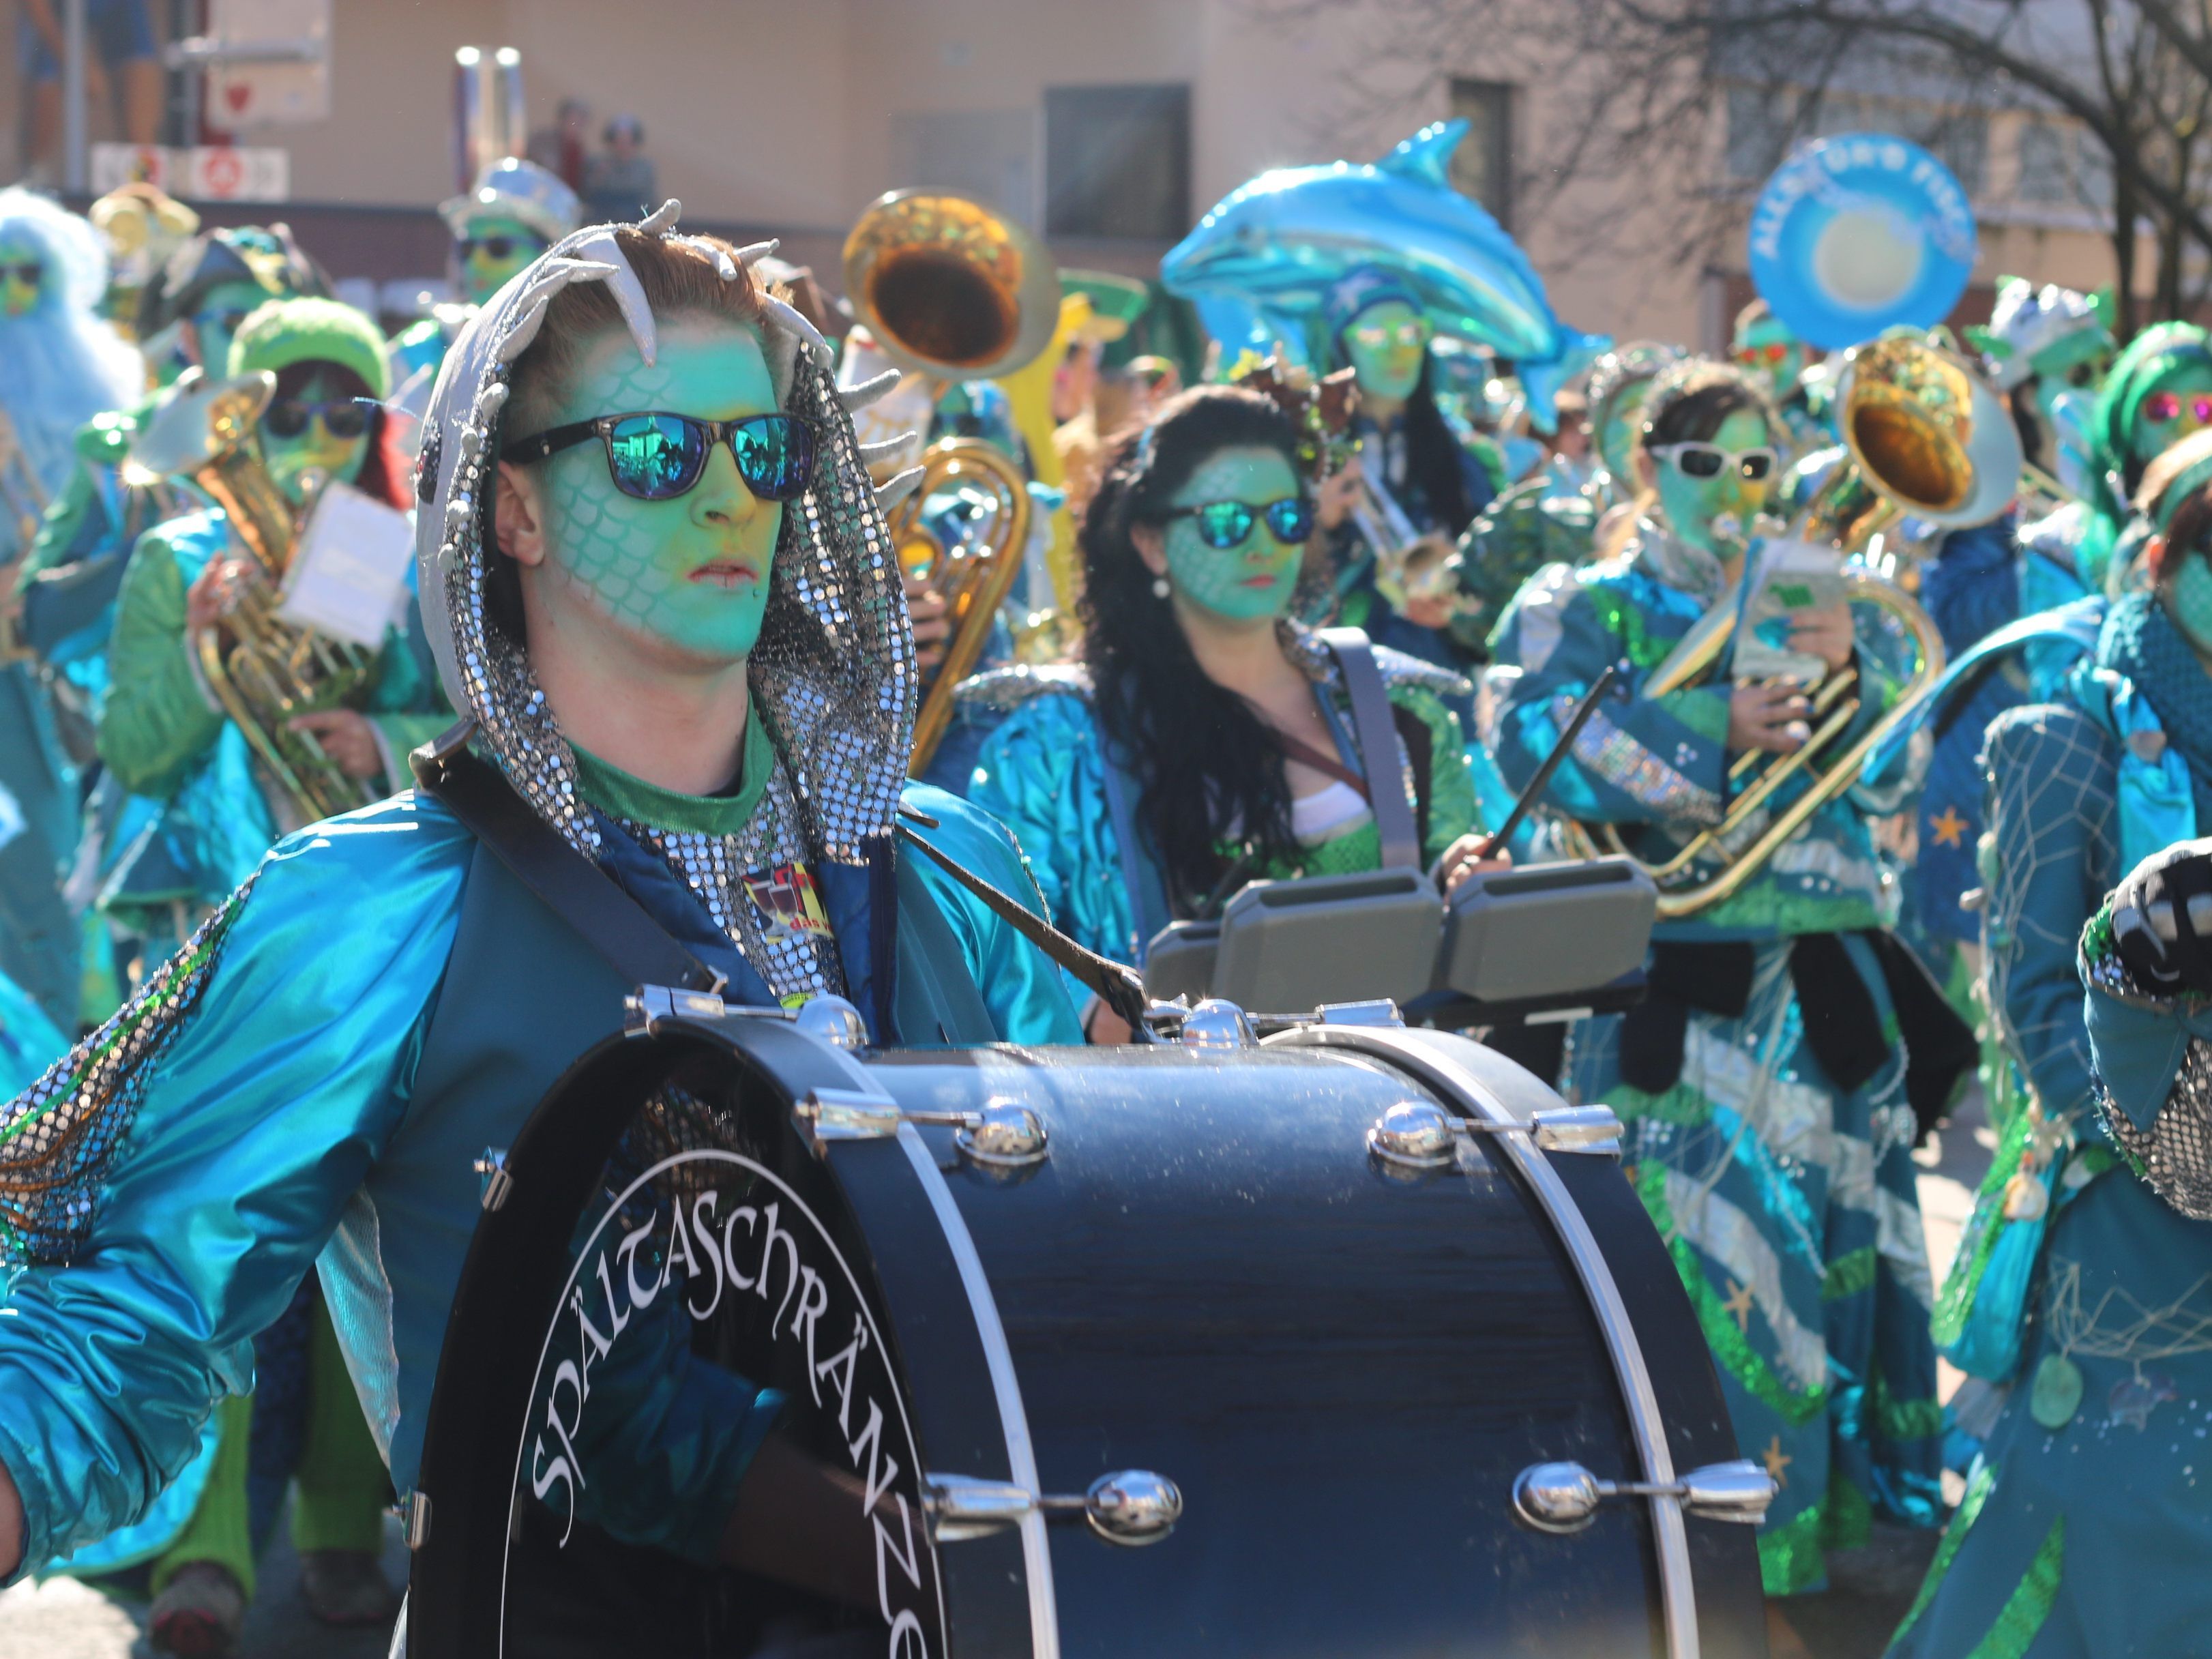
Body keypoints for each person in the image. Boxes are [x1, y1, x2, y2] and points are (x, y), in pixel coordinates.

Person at [0, 210, 1082, 1608]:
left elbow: (1073, 1252)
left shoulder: (945, 865)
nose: (726, 500)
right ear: (512, 508)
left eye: (764, 452)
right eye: (654, 453)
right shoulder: (376, 907)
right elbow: (134, 1308)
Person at [1488, 359, 1955, 1611]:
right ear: (1647, 465)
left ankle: (1843, 1533)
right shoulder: (1584, 599)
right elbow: (1523, 730)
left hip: (1825, 984)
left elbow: (1888, 790)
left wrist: (1857, 680)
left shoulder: (1819, 592)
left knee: (1837, 1251)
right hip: (1679, 991)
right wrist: (1710, 727)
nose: (1733, 490)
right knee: (1711, 1263)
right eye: (1704, 464)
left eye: (1758, 464)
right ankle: (1722, 1543)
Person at [1889, 435, 2212, 1659]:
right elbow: (2030, 999)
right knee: (2101, 1515)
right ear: (2160, 558)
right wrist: (2178, 1153)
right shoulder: (2057, 733)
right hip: (2126, 1196)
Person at [967, 384, 1496, 1042]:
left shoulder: (1397, 707)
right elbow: (1003, 952)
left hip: (1386, 1109)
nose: (1261, 546)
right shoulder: (1049, 746)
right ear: (1150, 542)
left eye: (1287, 518)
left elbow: (1451, 865)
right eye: (1225, 521)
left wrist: (1465, 874)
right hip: (1167, 1122)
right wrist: (1087, 1013)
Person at [100, 295, 448, 965]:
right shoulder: (176, 560)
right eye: (287, 418)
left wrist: (383, 742)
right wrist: (202, 656)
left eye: (344, 418)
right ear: (250, 425)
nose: (316, 443)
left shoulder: (412, 553)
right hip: (212, 907)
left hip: (377, 896)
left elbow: (488, 729)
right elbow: (130, 756)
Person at [0, 188, 141, 1034]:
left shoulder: (92, 404)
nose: (13, 297)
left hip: (48, 690)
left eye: (28, 278)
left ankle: (41, 1091)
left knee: (45, 878)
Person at [1314, 267, 1496, 690]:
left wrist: (1458, 605)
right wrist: (1323, 522)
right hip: (1336, 683)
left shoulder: (1466, 459)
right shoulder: (1308, 453)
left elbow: (1497, 590)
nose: (1399, 352)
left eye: (1412, 333)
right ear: (1342, 349)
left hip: (1441, 688)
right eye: (1375, 336)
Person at [2077, 321, 2212, 596]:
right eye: (2161, 408)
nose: (2185, 428)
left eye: (2204, 409)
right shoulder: (2072, 546)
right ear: (2131, 431)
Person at [18, 0, 163, 185]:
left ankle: (143, 183)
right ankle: (35, 176)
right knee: (46, 73)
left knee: (140, 67)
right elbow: (36, 8)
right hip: (57, 8)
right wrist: (77, 63)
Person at [583, 114, 658, 222]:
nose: (623, 147)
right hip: (602, 222)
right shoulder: (597, 165)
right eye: (619, 142)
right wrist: (598, 178)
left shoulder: (644, 169)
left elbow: (650, 203)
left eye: (628, 142)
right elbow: (586, 197)